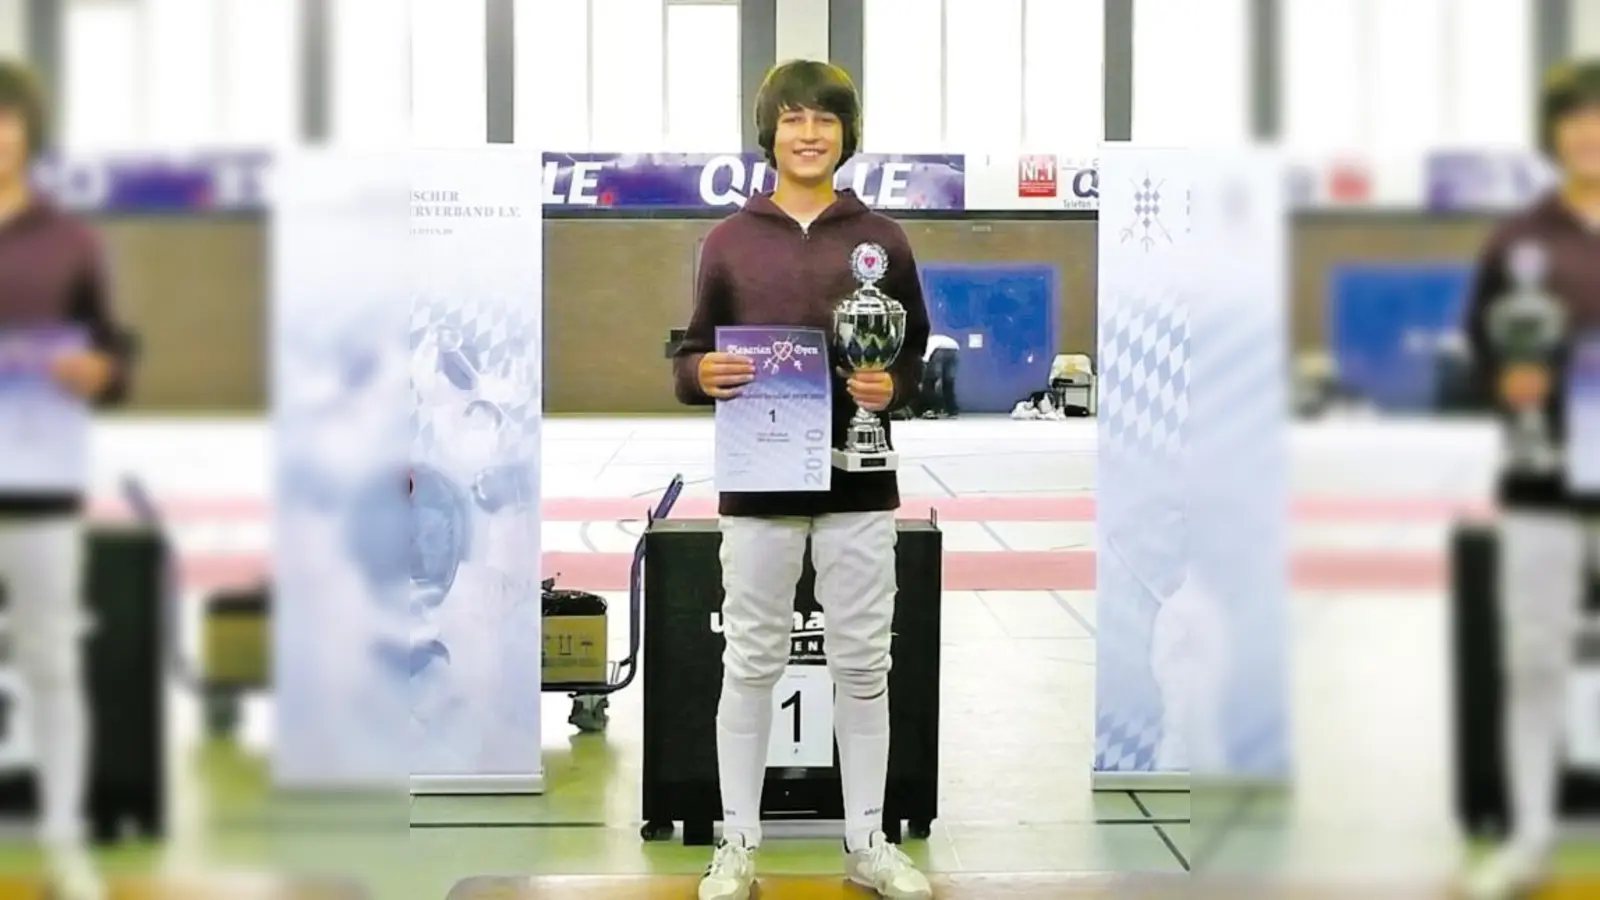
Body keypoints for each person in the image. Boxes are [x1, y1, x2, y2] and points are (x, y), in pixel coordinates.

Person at [672, 60, 933, 900]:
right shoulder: (728, 240)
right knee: (750, 663)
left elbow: (916, 352)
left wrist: (892, 387)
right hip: (759, 490)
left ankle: (866, 842)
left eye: (825, 119)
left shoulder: (884, 240)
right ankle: (736, 843)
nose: (810, 133)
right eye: (793, 119)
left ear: (847, 135)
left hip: (859, 488)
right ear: (770, 133)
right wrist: (700, 374)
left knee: (863, 668)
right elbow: (689, 353)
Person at [1460, 59, 1600, 900]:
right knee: (1534, 656)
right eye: (1572, 118)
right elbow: (1486, 348)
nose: (1587, 131)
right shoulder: (1520, 241)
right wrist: (1511, 385)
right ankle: (1532, 837)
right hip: (1542, 476)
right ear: (1553, 135)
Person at [0, 61, 135, 900]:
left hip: (42, 488)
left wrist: (100, 371)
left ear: (28, 130)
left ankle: (63, 832)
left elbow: (112, 351)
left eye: (6, 119)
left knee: (52, 659)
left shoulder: (71, 241)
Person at [918, 334, 959, 418]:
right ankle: (952, 410)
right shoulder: (936, 338)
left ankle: (930, 410)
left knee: (930, 381)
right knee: (948, 383)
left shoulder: (928, 341)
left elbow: (925, 358)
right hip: (954, 350)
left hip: (939, 351)